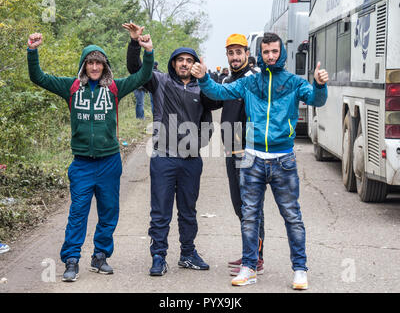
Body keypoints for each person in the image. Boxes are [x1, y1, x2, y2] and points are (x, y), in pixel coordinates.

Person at [191, 32, 329, 289]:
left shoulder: (292, 82)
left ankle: (300, 269)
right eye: (266, 52)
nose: (270, 56)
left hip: (283, 160)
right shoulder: (250, 82)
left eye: (274, 51)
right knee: (250, 216)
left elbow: (315, 100)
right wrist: (202, 78)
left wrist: (320, 85)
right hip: (252, 158)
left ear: (281, 53)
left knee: (292, 216)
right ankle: (249, 267)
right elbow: (219, 91)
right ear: (261, 54)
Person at [27, 32, 154, 282]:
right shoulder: (71, 87)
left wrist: (147, 52)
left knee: (108, 213)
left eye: (99, 63)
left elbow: (143, 75)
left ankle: (100, 257)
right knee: (78, 214)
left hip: (109, 163)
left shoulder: (115, 88)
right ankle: (72, 260)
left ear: (104, 66)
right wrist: (32, 51)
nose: (95, 67)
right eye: (90, 62)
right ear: (84, 65)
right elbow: (38, 77)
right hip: (82, 164)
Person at [123, 22, 214, 277]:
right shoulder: (160, 82)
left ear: (195, 64)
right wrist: (136, 44)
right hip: (163, 157)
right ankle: (159, 256)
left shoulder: (202, 88)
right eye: (180, 60)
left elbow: (216, 104)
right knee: (160, 211)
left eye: (189, 60)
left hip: (191, 160)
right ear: (173, 63)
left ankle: (187, 254)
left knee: (188, 211)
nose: (184, 64)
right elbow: (134, 68)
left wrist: (204, 78)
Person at [201, 34, 265, 276]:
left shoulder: (255, 79)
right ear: (227, 55)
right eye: (231, 53)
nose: (235, 57)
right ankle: (250, 253)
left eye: (239, 52)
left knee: (251, 206)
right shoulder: (229, 79)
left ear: (247, 54)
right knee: (240, 206)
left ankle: (256, 258)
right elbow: (212, 102)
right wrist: (202, 78)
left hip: (250, 152)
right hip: (232, 151)